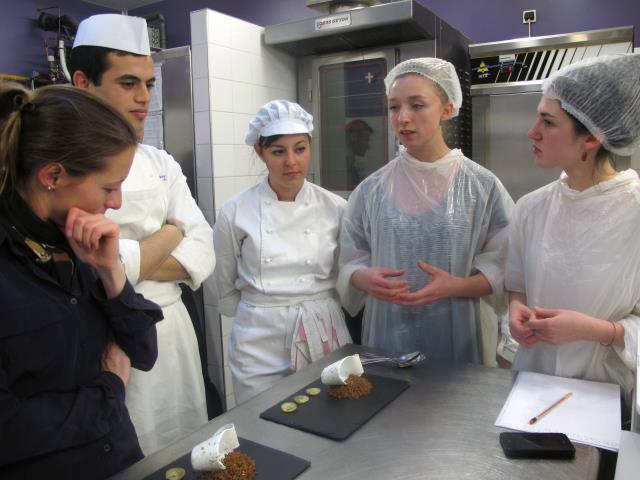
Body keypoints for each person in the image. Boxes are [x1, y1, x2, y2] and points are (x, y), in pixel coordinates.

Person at [69, 14, 216, 454]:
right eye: (128, 83)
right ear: (82, 82)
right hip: (106, 339)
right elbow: (89, 268)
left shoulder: (160, 162)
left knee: (183, 446)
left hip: (171, 333)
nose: (144, 98)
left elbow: (204, 249)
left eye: (149, 84)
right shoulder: (61, 164)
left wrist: (125, 260)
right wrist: (171, 233)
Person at [0, 83, 162, 478]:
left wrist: (112, 274)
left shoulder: (80, 241)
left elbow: (142, 352)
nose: (117, 203)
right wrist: (109, 391)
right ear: (53, 175)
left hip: (118, 458)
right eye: (109, 187)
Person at [338, 58, 513, 362]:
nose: (403, 118)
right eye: (394, 107)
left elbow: (506, 269)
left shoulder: (482, 186)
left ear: (447, 110)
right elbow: (350, 260)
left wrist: (457, 286)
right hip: (386, 334)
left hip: (460, 336)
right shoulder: (371, 190)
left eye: (417, 105)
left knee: (453, 407)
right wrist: (362, 278)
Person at [505, 53, 640, 402]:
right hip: (532, 386)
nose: (532, 132)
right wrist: (515, 309)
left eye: (548, 123)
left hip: (604, 395)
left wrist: (594, 330)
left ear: (592, 137)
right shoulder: (531, 208)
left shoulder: (635, 213)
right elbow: (518, 286)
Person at [213, 100, 352, 404]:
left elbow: (346, 275)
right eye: (278, 152)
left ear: (310, 147)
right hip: (258, 340)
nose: (291, 161)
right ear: (259, 152)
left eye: (300, 149)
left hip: (322, 327)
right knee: (261, 424)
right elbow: (224, 283)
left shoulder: (337, 208)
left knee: (328, 415)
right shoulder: (235, 211)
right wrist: (263, 311)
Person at [345, 119, 374, 186]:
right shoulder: (343, 167)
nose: (368, 146)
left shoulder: (351, 164)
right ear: (353, 138)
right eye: (366, 140)